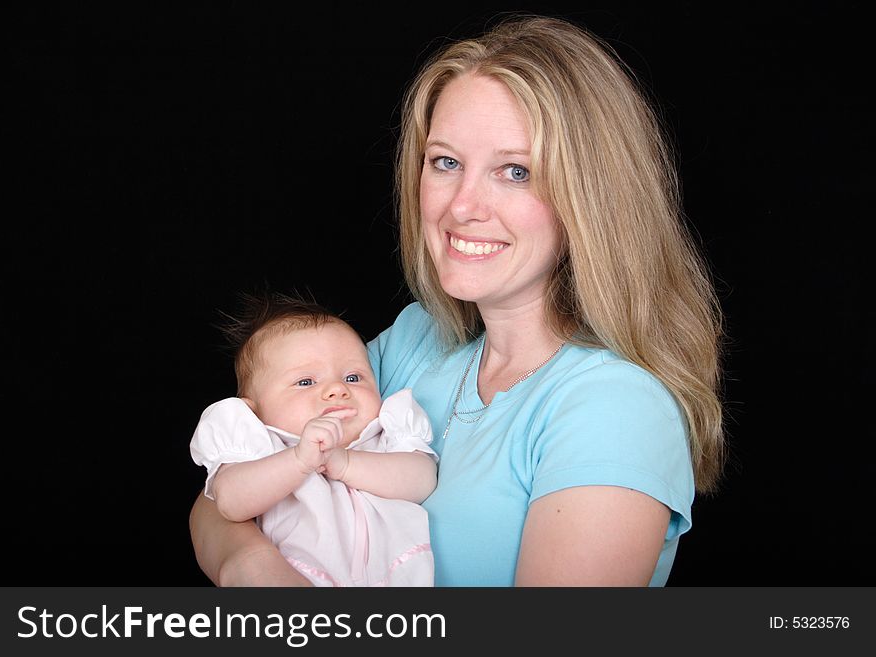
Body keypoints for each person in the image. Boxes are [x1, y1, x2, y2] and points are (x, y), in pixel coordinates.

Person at [190, 14, 724, 587]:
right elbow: (221, 493)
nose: (462, 205)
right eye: (445, 162)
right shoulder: (416, 340)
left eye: (516, 171)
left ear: (591, 197)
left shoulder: (615, 410)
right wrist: (249, 563)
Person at [189, 292, 438, 586]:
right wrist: (298, 460)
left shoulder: (384, 432)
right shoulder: (262, 447)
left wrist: (344, 462)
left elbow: (422, 481)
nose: (337, 389)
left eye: (353, 377)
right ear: (253, 412)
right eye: (306, 382)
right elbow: (230, 502)